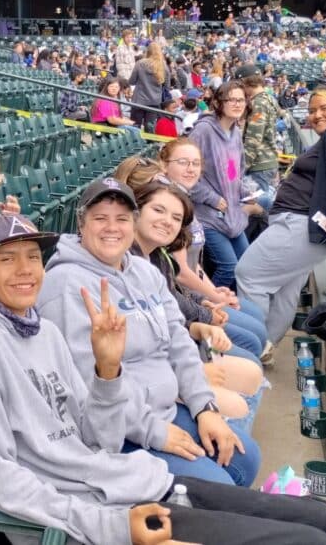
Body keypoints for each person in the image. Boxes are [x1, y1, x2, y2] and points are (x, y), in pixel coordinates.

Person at [0, 213, 326, 545]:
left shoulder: (40, 329)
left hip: (134, 484)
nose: (25, 270)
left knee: (325, 520)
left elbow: (101, 440)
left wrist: (107, 371)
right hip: (88, 518)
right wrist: (112, 528)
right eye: (7, 259)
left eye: (31, 256)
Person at [39, 178, 260, 487]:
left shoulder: (143, 270)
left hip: (167, 407)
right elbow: (85, 381)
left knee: (246, 457)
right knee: (219, 485)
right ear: (82, 223)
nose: (112, 227)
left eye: (122, 219)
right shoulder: (65, 284)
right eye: (100, 218)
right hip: (119, 430)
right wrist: (152, 430)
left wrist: (204, 407)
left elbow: (179, 342)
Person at [237, 86, 326, 344]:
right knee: (285, 292)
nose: (317, 115)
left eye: (325, 108)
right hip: (302, 224)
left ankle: (252, 346)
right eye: (313, 110)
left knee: (249, 275)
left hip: (301, 224)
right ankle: (264, 346)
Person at [128, 178, 264, 427]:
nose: (167, 221)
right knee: (237, 403)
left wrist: (201, 318)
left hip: (181, 352)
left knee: (252, 372)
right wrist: (193, 372)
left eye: (176, 218)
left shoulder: (157, 256)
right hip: (153, 379)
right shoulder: (125, 264)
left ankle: (229, 437)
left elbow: (173, 311)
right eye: (158, 210)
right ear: (136, 212)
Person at [157, 140, 269, 361]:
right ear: (164, 165)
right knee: (251, 344)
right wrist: (214, 298)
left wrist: (216, 293)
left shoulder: (185, 199)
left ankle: (229, 376)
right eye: (183, 162)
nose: (190, 169)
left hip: (196, 299)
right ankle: (223, 378)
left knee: (256, 321)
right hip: (185, 307)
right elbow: (181, 272)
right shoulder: (168, 201)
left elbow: (194, 264)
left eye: (195, 163)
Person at [188, 81, 251, 290]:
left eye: (241, 99)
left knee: (246, 264)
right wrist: (212, 199)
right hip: (207, 215)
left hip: (232, 213)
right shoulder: (203, 131)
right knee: (230, 267)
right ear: (219, 102)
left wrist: (243, 190)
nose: (237, 104)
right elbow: (187, 174)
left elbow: (234, 170)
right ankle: (206, 306)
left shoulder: (235, 132)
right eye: (231, 99)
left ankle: (230, 311)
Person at [237, 64, 282, 215]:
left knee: (258, 209)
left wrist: (242, 168)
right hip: (266, 162)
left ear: (245, 82)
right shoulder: (268, 98)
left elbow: (253, 139)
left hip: (259, 165)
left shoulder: (258, 103)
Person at [129, 42, 167, 132]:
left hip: (139, 100)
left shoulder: (140, 63)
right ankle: (149, 145)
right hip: (154, 101)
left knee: (135, 126)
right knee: (150, 128)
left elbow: (132, 81)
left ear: (148, 51)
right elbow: (166, 84)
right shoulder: (163, 65)